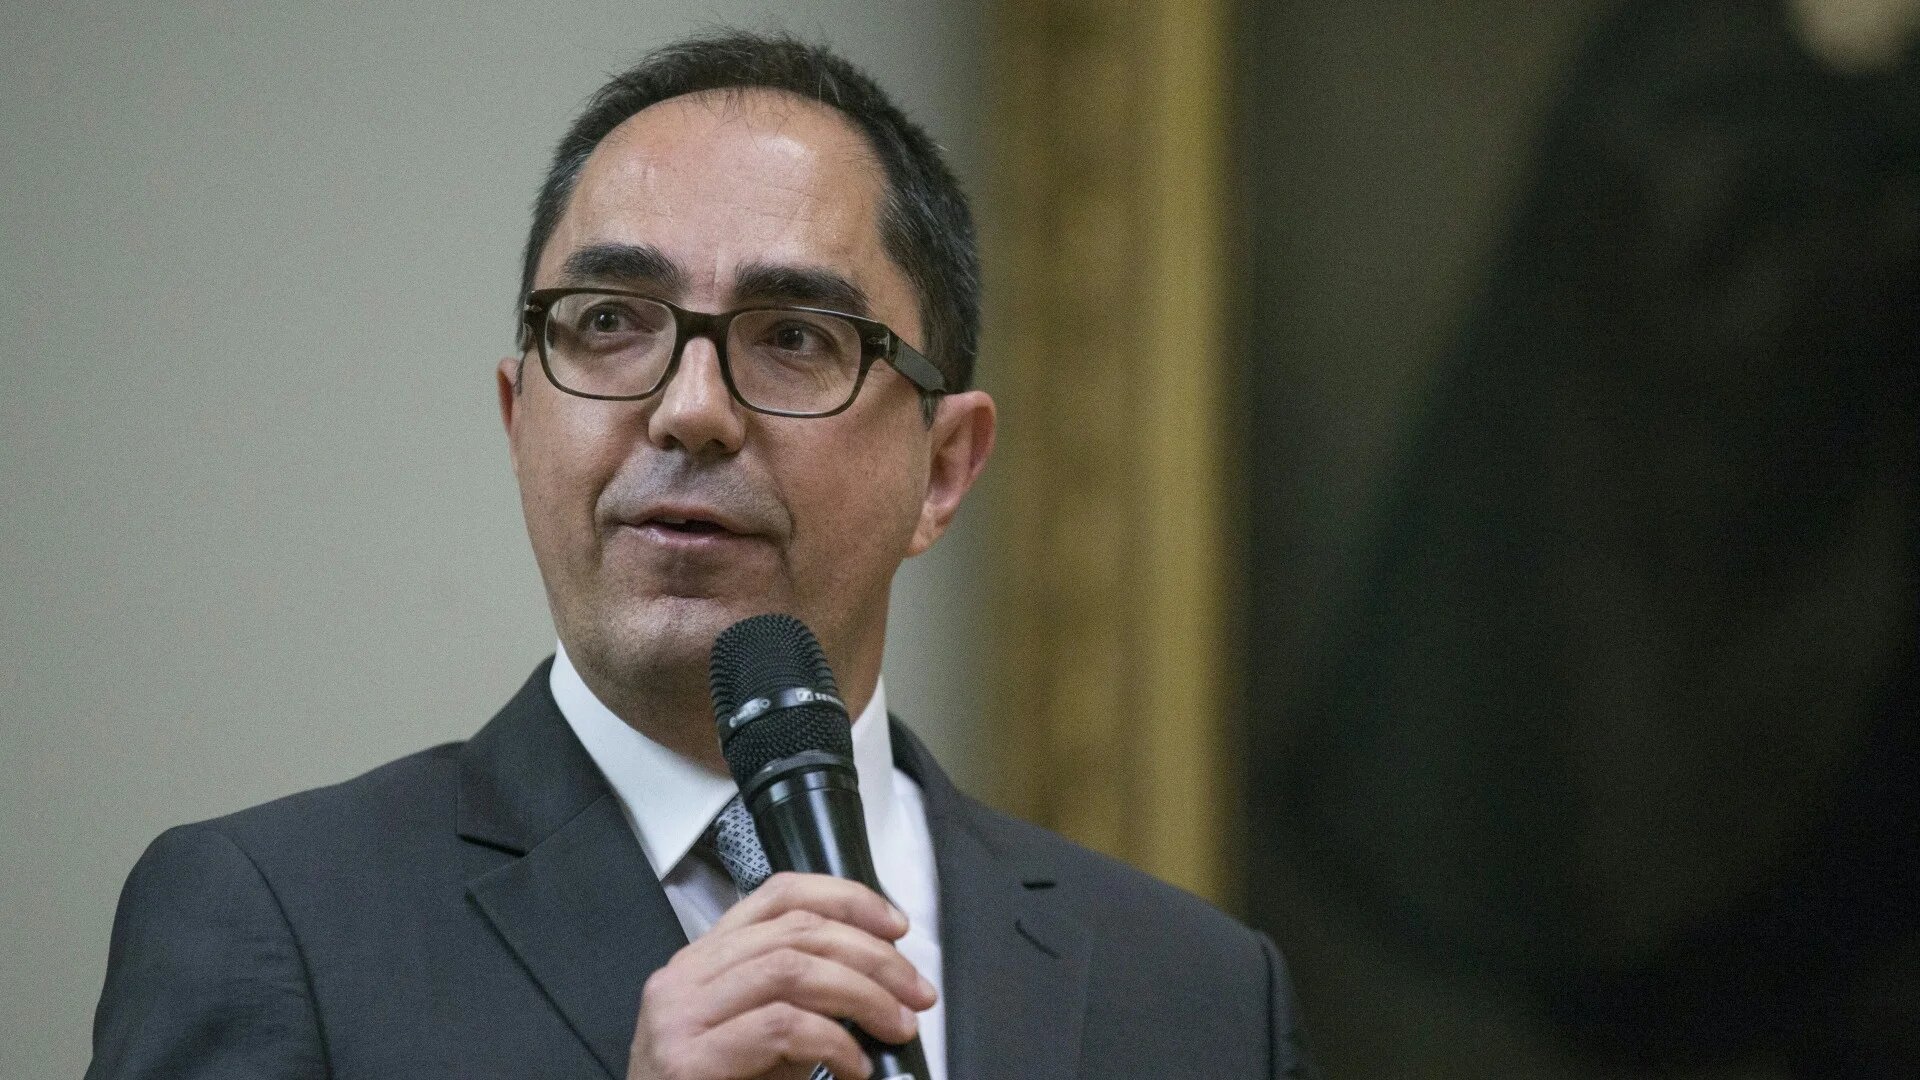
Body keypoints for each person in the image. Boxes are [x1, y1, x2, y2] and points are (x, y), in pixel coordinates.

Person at [85, 31, 1312, 1080]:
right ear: (522, 423)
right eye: (611, 323)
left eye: (792, 336)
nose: (689, 409)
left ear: (942, 470)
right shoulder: (273, 922)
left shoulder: (1199, 996)